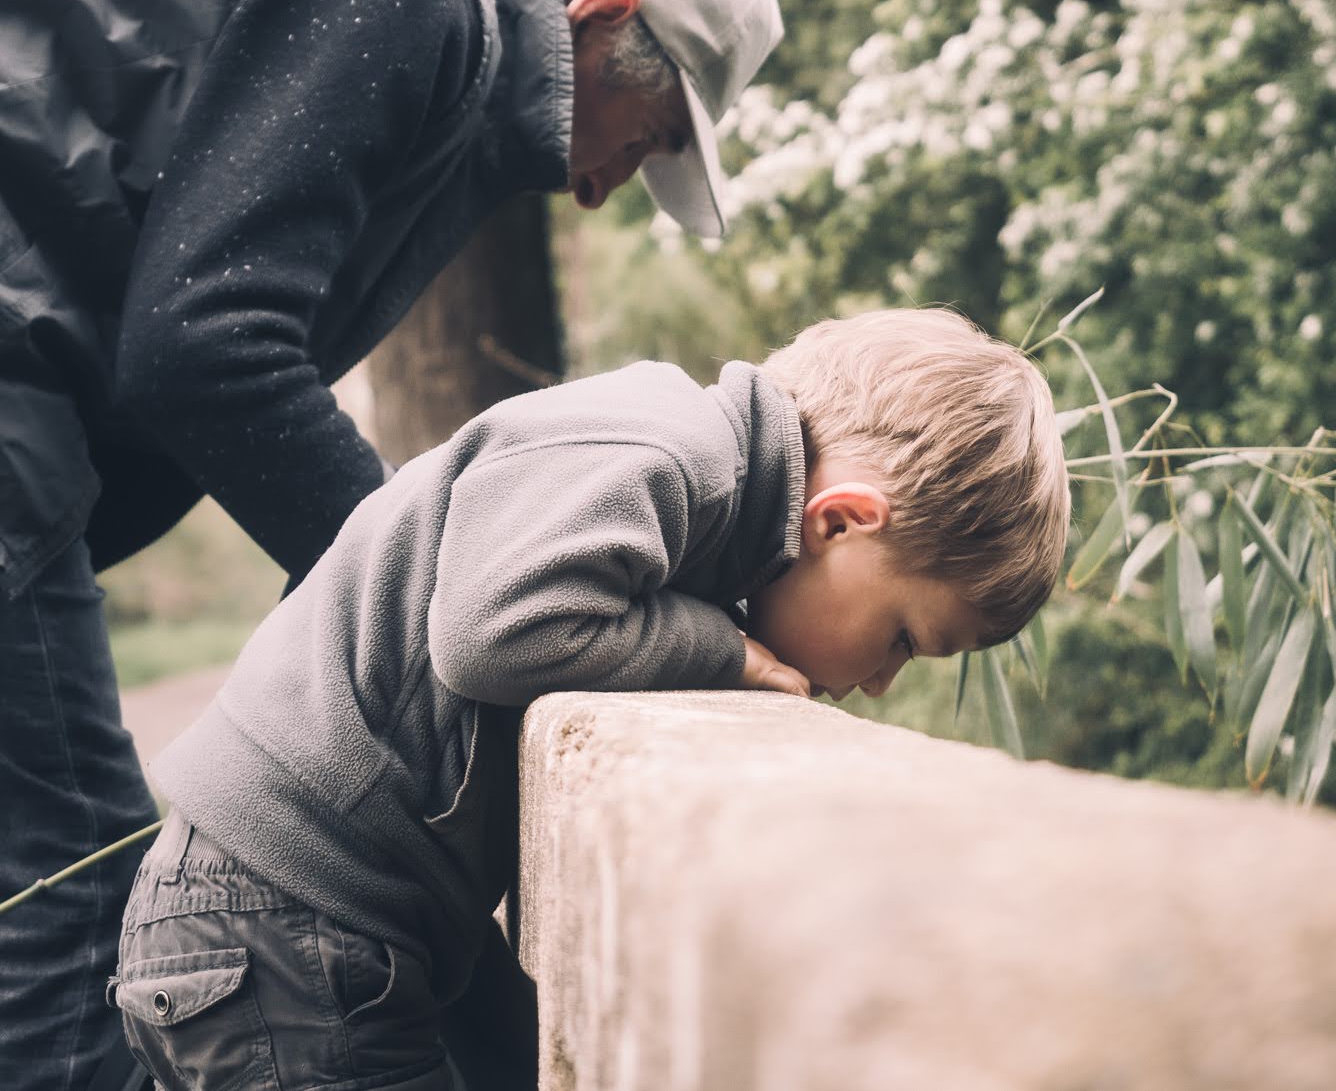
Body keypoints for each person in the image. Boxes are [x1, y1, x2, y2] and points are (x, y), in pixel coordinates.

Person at [0, 0, 783, 1091]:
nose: (598, 192)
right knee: (74, 938)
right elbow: (206, 344)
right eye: (638, 139)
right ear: (599, 16)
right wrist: (434, 581)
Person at [111, 308, 1069, 1090]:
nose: (879, 680)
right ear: (840, 521)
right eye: (904, 637)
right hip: (281, 926)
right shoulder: (672, 447)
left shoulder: (701, 476)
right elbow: (492, 630)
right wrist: (723, 653)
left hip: (317, 925)